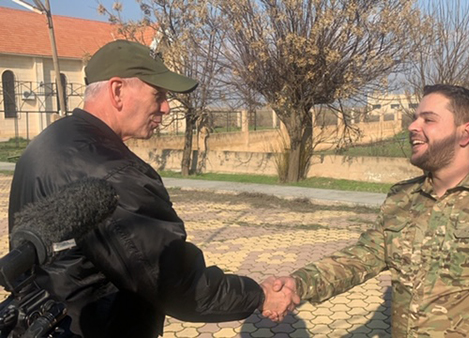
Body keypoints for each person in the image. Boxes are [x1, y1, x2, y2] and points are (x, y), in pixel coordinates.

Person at [8, 40, 297, 338]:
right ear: (117, 90)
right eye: (157, 94)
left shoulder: (48, 142)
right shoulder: (109, 171)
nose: (166, 108)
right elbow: (176, 283)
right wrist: (260, 294)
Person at [266, 84, 469, 336]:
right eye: (415, 118)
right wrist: (298, 284)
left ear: (465, 133)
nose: (413, 126)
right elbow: (360, 258)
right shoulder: (403, 198)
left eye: (428, 119)